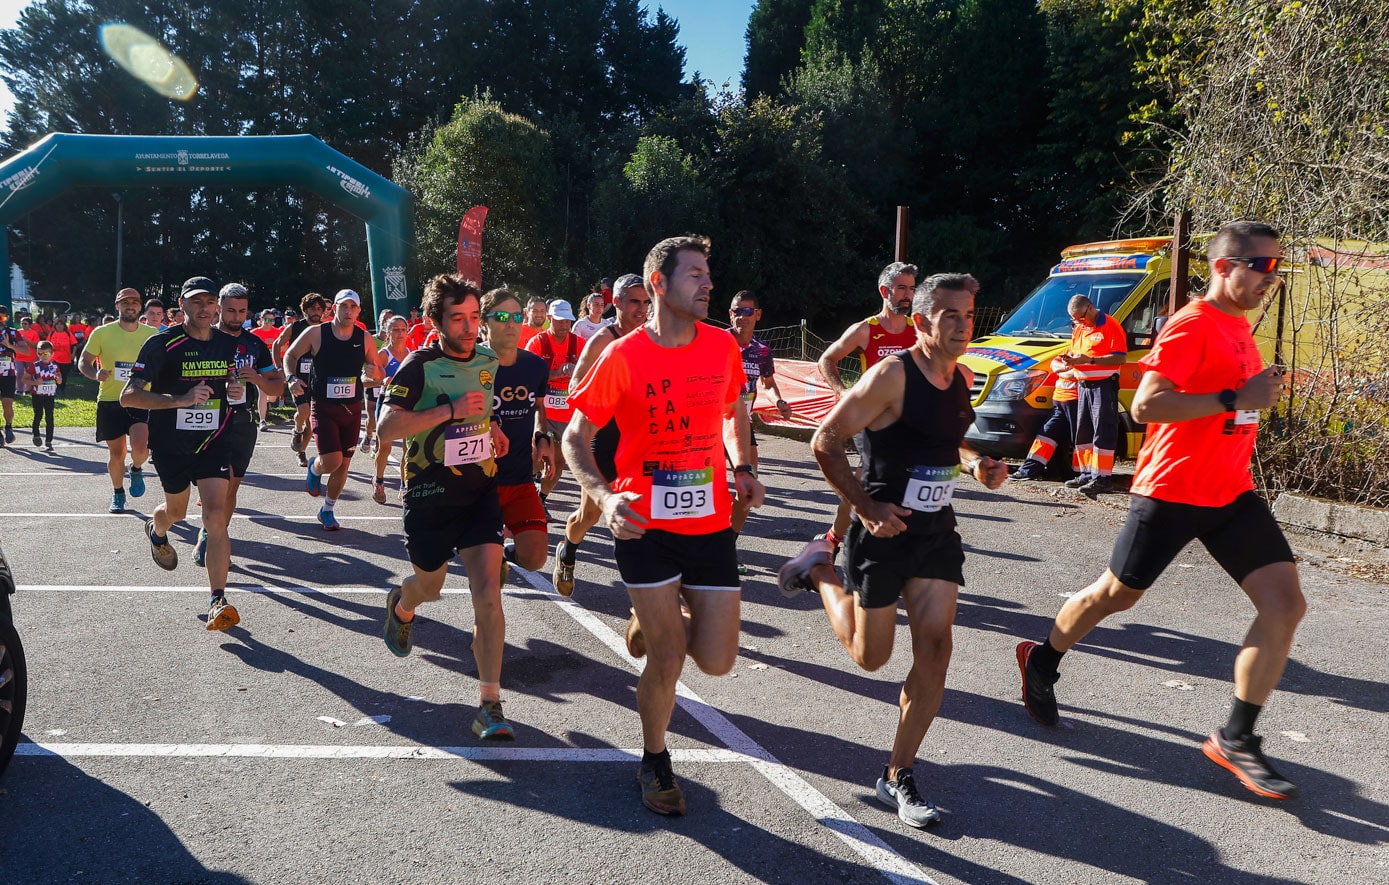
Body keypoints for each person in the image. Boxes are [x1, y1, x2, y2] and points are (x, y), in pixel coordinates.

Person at [1016, 221, 1306, 800]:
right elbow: (1148, 406)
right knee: (1115, 596)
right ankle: (1042, 659)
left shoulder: (1238, 329)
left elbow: (1230, 401)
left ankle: (1236, 736)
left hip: (1229, 493)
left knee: (1285, 604)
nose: (1271, 279)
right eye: (1262, 267)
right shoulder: (1192, 323)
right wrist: (1234, 398)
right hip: (1171, 490)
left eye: (1277, 267)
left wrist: (1253, 391)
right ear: (1225, 266)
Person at [778, 273, 1007, 829]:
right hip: (881, 534)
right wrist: (866, 509)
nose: (962, 325)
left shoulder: (962, 379)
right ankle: (821, 574)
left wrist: (976, 463)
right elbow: (825, 441)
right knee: (870, 657)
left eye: (969, 315)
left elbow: (945, 439)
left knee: (936, 650)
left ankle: (898, 774)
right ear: (923, 320)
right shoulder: (889, 375)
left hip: (935, 534)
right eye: (950, 315)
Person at [563, 236, 765, 817]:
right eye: (695, 275)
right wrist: (602, 495)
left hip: (708, 521)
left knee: (720, 659)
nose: (708, 284)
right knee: (670, 657)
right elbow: (577, 437)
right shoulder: (623, 355)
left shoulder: (723, 346)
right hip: (643, 524)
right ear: (659, 283)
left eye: (708, 273)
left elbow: (734, 411)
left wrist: (743, 466)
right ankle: (654, 759)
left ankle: (653, 617)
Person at [378, 274, 513, 740]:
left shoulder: (488, 360)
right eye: (458, 318)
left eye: (475, 317)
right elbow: (386, 428)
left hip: (480, 490)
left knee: (488, 593)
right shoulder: (418, 366)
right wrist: (448, 411)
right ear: (435, 322)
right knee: (430, 588)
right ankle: (403, 605)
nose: (469, 327)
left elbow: (482, 409)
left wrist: (491, 429)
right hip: (430, 493)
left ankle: (490, 703)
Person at [120, 277, 244, 631]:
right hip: (171, 444)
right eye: (196, 302)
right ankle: (157, 530)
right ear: (183, 305)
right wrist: (180, 401)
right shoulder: (161, 345)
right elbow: (129, 396)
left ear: (216, 306)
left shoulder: (225, 343)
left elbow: (226, 381)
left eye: (209, 302)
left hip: (213, 441)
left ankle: (217, 599)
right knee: (176, 511)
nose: (204, 308)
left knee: (216, 516)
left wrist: (233, 388)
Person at [551, 274, 650, 597]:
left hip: (639, 441)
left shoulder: (652, 338)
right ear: (617, 303)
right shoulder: (603, 340)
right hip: (604, 438)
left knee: (647, 513)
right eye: (634, 301)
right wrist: (611, 395)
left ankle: (649, 592)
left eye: (646, 302)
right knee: (590, 516)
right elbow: (574, 386)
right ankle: (568, 549)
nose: (641, 309)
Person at [813, 262, 919, 556]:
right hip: (871, 422)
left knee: (900, 484)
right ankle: (840, 542)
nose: (907, 295)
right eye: (901, 288)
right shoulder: (865, 329)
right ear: (885, 291)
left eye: (911, 288)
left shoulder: (918, 330)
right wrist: (844, 393)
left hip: (907, 424)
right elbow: (826, 360)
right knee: (866, 480)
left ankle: (841, 540)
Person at [190, 283, 285, 567]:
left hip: (242, 421)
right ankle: (211, 528)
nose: (236, 316)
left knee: (231, 487)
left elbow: (278, 387)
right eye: (230, 310)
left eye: (242, 311)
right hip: (207, 419)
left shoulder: (255, 344)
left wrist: (256, 379)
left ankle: (213, 535)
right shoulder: (203, 338)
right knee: (212, 487)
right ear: (219, 307)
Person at [282, 289, 381, 530]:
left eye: (352, 307)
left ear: (358, 311)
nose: (348, 311)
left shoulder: (364, 337)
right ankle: (316, 466)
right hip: (324, 407)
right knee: (332, 460)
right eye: (343, 306)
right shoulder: (317, 333)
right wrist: (291, 378)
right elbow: (291, 355)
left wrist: (373, 374)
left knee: (344, 464)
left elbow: (377, 373)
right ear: (333, 308)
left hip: (352, 409)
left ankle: (327, 509)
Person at [481, 288, 554, 577]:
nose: (510, 323)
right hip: (478, 480)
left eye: (516, 316)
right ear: (484, 322)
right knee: (487, 580)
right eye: (501, 316)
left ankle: (505, 552)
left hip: (520, 477)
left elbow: (538, 410)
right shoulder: (468, 364)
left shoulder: (534, 365)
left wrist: (543, 438)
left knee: (535, 558)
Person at [79, 288, 159, 512]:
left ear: (140, 306)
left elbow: (163, 363)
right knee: (116, 453)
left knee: (141, 448)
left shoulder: (152, 334)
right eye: (125, 303)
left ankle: (135, 468)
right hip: (110, 400)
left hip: (140, 399)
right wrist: (95, 374)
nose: (130, 306)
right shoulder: (102, 333)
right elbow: (84, 361)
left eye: (134, 302)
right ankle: (118, 493)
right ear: (117, 306)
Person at [727, 290, 794, 537]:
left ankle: (727, 548)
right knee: (705, 489)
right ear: (730, 314)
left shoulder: (762, 350)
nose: (741, 317)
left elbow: (767, 383)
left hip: (743, 425)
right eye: (736, 311)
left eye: (747, 312)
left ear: (757, 315)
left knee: (747, 491)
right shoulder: (717, 343)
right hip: (713, 424)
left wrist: (779, 402)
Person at [1057, 295, 1127, 495]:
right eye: (1074, 319)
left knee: (1102, 430)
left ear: (1090, 307)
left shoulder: (1110, 325)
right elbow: (1075, 352)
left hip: (1103, 385)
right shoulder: (1079, 328)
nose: (1078, 322)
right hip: (1083, 384)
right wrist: (1070, 361)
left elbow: (1121, 357)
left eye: (1080, 317)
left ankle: (1102, 478)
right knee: (1084, 431)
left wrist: (1090, 360)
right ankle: (1086, 473)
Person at [525, 298, 584, 501]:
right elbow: (528, 376)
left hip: (568, 415)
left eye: (567, 321)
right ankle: (527, 489)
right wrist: (557, 372)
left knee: (558, 463)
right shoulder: (537, 343)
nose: (564, 325)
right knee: (539, 456)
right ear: (550, 319)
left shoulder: (580, 343)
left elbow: (592, 373)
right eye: (559, 321)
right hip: (542, 413)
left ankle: (540, 498)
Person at [274, 293, 328, 467]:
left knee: (311, 423)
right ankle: (297, 430)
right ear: (305, 310)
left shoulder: (325, 329)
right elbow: (277, 344)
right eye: (312, 308)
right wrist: (280, 369)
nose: (316, 312)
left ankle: (301, 452)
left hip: (317, 379)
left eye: (319, 309)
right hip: (297, 378)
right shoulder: (295, 327)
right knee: (304, 412)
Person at [1010, 355, 1081, 481]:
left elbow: (1076, 374)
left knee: (1081, 440)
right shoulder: (1073, 346)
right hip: (1060, 399)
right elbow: (1054, 363)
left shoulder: (1086, 348)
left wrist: (1063, 372)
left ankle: (1081, 476)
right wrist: (1065, 367)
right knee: (1046, 436)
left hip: (1078, 400)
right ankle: (1028, 470)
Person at [371, 315, 412, 503]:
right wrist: (382, 380)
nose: (400, 333)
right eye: (396, 329)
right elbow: (366, 377)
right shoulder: (383, 355)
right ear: (388, 333)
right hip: (387, 403)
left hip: (406, 405)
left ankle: (404, 486)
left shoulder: (412, 354)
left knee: (407, 448)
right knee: (384, 447)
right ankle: (378, 480)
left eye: (403, 329)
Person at [0, 304, 35, 446]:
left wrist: (10, 346)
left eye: (2, 317)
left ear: (7, 318)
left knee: (7, 404)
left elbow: (26, 351)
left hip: (8, 373)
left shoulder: (13, 333)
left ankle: (8, 426)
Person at [249, 309, 282, 430]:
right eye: (267, 319)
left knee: (272, 398)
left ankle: (267, 403)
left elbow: (284, 347)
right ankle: (262, 421)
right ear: (261, 319)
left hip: (274, 368)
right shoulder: (254, 333)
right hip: (260, 368)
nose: (269, 322)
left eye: (272, 320)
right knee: (262, 393)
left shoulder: (278, 332)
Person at [27, 341, 61, 451]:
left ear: (51, 353)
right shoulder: (34, 366)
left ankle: (49, 441)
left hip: (49, 395)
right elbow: (24, 379)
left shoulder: (54, 366)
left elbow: (59, 380)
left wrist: (59, 379)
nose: (43, 356)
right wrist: (35, 382)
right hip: (37, 395)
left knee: (49, 417)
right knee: (38, 414)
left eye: (45, 354)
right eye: (40, 353)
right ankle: (36, 434)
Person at [46, 318, 77, 394]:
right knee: (54, 374)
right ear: (55, 326)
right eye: (57, 324)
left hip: (65, 359)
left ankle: (61, 389)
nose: (59, 326)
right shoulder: (52, 334)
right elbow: (46, 345)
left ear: (64, 326)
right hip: (54, 358)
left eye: (61, 324)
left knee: (63, 374)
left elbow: (74, 345)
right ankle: (54, 388)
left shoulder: (68, 334)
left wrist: (73, 354)